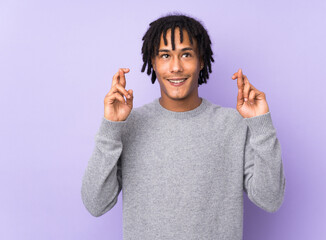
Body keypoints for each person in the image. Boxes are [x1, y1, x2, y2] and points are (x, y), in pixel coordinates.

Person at [81, 13, 286, 240]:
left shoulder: (233, 126)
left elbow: (270, 199)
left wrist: (261, 125)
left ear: (201, 61)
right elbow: (95, 203)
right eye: (165, 55)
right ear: (153, 62)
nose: (176, 67)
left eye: (186, 54)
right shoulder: (128, 127)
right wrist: (111, 127)